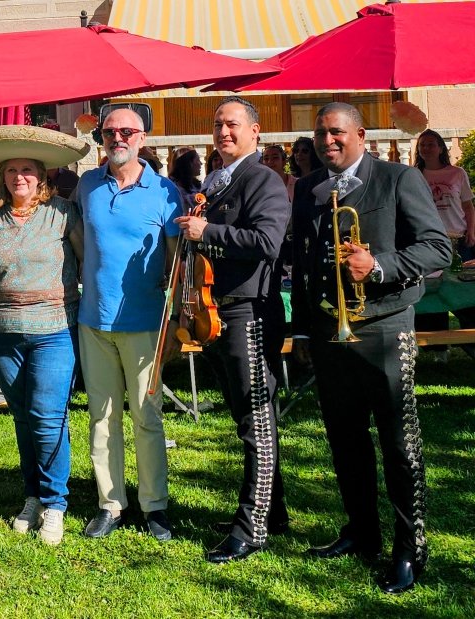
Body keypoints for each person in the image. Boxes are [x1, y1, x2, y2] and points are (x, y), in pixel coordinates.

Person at [291, 103, 451, 594]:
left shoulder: (399, 178)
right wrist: (302, 332)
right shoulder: (310, 189)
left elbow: (437, 247)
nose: (327, 142)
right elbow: (301, 263)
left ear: (359, 133)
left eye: (336, 133)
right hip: (328, 331)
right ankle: (362, 533)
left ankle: (410, 547)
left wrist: (377, 266)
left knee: (399, 444)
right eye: (319, 134)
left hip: (384, 326)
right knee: (345, 441)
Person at [0, 125, 89, 545]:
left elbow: (87, 262)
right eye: (11, 170)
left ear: (43, 176)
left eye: (28, 170)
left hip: (53, 330)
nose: (19, 177)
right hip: (2, 332)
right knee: (23, 418)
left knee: (49, 419)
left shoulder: (64, 214)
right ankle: (32, 495)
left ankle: (55, 503)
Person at [177, 96, 290, 564]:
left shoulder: (263, 179)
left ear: (255, 131)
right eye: (219, 124)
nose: (224, 132)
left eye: (234, 125)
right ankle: (274, 511)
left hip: (250, 312)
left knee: (255, 422)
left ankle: (252, 526)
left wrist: (209, 233)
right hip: (217, 313)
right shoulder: (218, 181)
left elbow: (267, 242)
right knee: (246, 415)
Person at [75, 108, 181, 543]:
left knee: (146, 417)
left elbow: (177, 260)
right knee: (101, 417)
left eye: (127, 131)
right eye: (110, 131)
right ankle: (110, 503)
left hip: (145, 323)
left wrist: (173, 319)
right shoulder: (87, 185)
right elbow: (80, 240)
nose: (117, 137)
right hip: (93, 320)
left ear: (143, 137)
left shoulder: (165, 191)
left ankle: (154, 505)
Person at [413, 129, 475, 359]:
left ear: (441, 148)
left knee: (463, 290)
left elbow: (468, 206)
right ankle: (437, 347)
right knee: (431, 292)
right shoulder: (414, 174)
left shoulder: (457, 173)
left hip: (458, 239)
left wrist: (472, 231)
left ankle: (469, 339)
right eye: (422, 145)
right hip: (427, 241)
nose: (426, 148)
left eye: (431, 144)